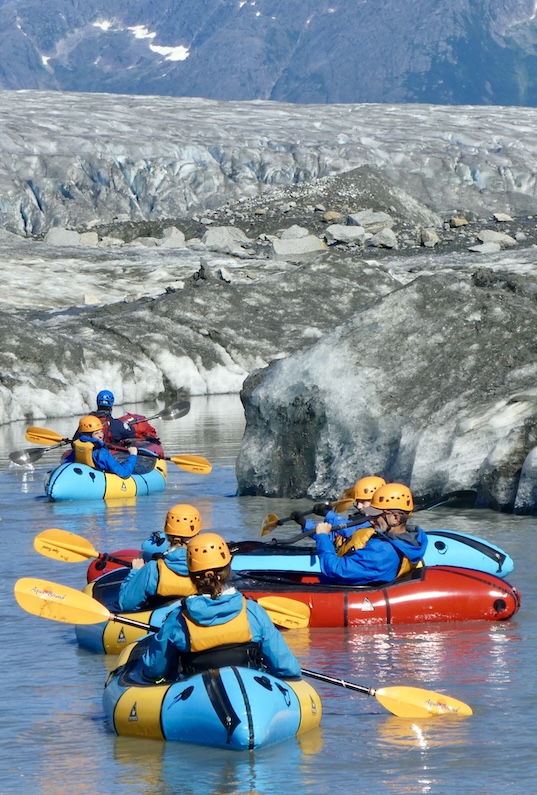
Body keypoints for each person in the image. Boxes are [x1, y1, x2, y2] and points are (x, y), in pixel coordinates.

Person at [141, 532, 302, 683]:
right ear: (228, 568)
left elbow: (154, 670)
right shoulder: (253, 611)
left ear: (191, 575)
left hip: (196, 696)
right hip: (250, 689)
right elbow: (287, 668)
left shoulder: (177, 619)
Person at [313, 482, 428, 585]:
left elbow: (336, 570)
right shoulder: (413, 539)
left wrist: (322, 537)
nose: (371, 520)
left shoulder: (381, 552)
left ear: (395, 518)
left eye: (376, 515)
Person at [117, 504, 203, 611]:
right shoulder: (209, 567)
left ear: (167, 536)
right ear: (198, 535)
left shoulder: (152, 569)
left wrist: (135, 571)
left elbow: (126, 605)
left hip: (160, 622)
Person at [290, 475, 387, 544]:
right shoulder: (357, 519)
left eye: (363, 502)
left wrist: (328, 514)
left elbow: (351, 531)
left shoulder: (380, 525)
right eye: (357, 502)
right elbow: (331, 535)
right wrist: (304, 523)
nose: (359, 506)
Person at [70, 415, 139, 478]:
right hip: (101, 482)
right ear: (88, 436)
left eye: (100, 431)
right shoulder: (102, 453)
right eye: (96, 433)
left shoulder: (77, 449)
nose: (101, 435)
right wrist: (133, 455)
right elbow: (124, 473)